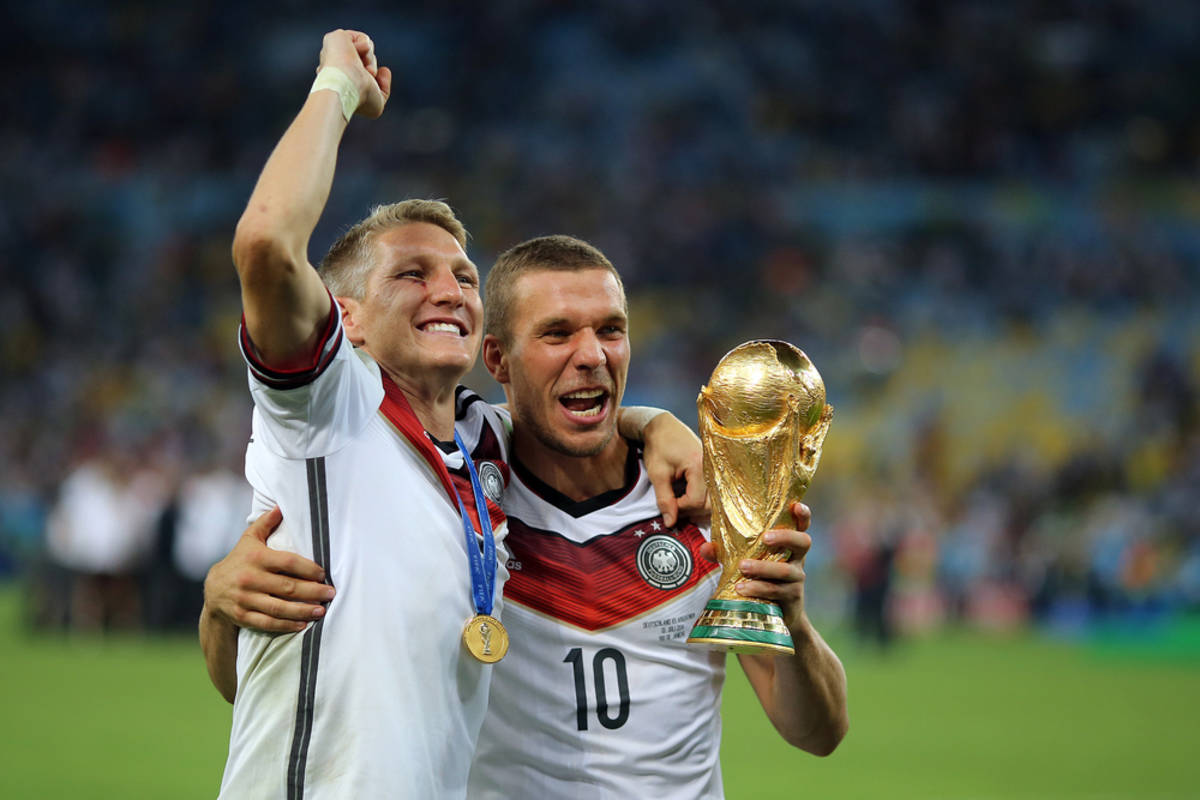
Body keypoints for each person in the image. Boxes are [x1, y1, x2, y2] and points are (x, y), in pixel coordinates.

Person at [204, 29, 703, 798]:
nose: (450, 291)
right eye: (412, 273)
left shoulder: (479, 445)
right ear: (346, 317)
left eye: (465, 277)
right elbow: (266, 243)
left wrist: (659, 424)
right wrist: (337, 86)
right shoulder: (330, 406)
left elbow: (572, 418)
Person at [207, 232, 849, 796]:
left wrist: (790, 620)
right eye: (557, 333)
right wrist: (219, 604)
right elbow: (248, 682)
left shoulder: (697, 506)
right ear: (496, 360)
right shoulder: (448, 496)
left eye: (611, 330)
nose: (592, 355)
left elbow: (820, 733)